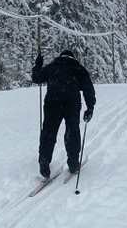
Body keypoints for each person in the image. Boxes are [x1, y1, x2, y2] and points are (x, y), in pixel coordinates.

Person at [31, 48, 96, 180]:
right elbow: (88, 89)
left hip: (52, 103)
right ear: (73, 57)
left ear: (61, 57)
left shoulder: (52, 67)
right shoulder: (79, 69)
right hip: (72, 104)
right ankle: (73, 163)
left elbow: (36, 78)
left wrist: (37, 65)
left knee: (49, 132)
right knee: (72, 131)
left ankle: (44, 160)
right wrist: (90, 107)